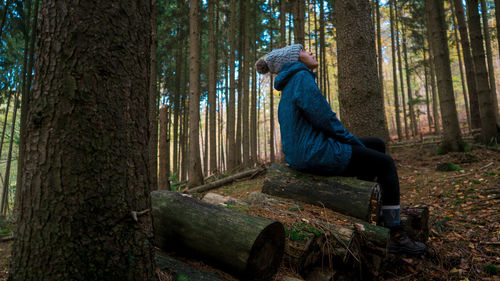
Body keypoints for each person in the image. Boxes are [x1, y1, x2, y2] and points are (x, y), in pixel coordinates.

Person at [255, 44, 426, 255]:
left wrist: (355, 143)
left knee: (376, 145)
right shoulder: (301, 78)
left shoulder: (289, 83)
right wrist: (352, 141)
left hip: (302, 153)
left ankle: (366, 204)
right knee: (385, 163)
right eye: (303, 51)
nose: (310, 52)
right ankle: (396, 233)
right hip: (313, 153)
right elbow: (325, 119)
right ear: (294, 60)